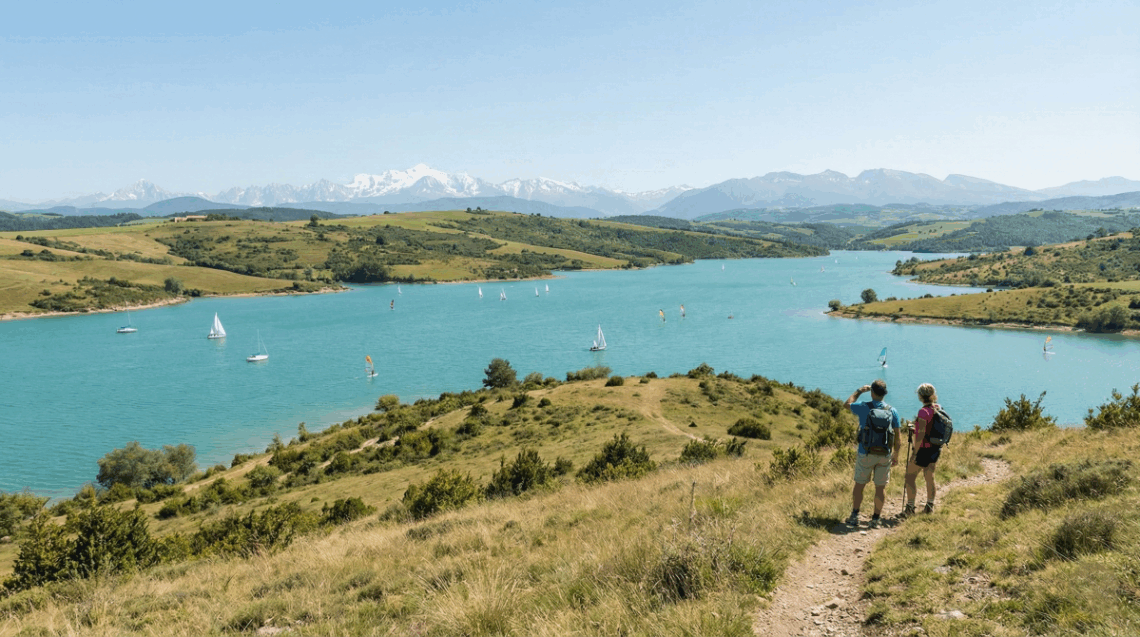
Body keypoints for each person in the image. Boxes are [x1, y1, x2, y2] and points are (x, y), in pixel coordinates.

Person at [844, 379, 901, 529]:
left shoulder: (864, 407)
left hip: (865, 452)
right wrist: (896, 454)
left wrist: (859, 391)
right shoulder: (892, 410)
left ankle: (854, 515)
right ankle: (875, 519)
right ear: (885, 394)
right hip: (885, 454)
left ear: (872, 392)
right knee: (880, 488)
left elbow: (846, 404)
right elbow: (897, 435)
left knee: (859, 485)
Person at [903, 383, 942, 517]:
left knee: (910, 476)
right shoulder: (937, 408)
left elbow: (921, 434)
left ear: (920, 396)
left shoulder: (923, 412)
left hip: (923, 449)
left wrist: (914, 453)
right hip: (935, 448)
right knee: (929, 476)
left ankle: (910, 508)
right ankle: (929, 506)